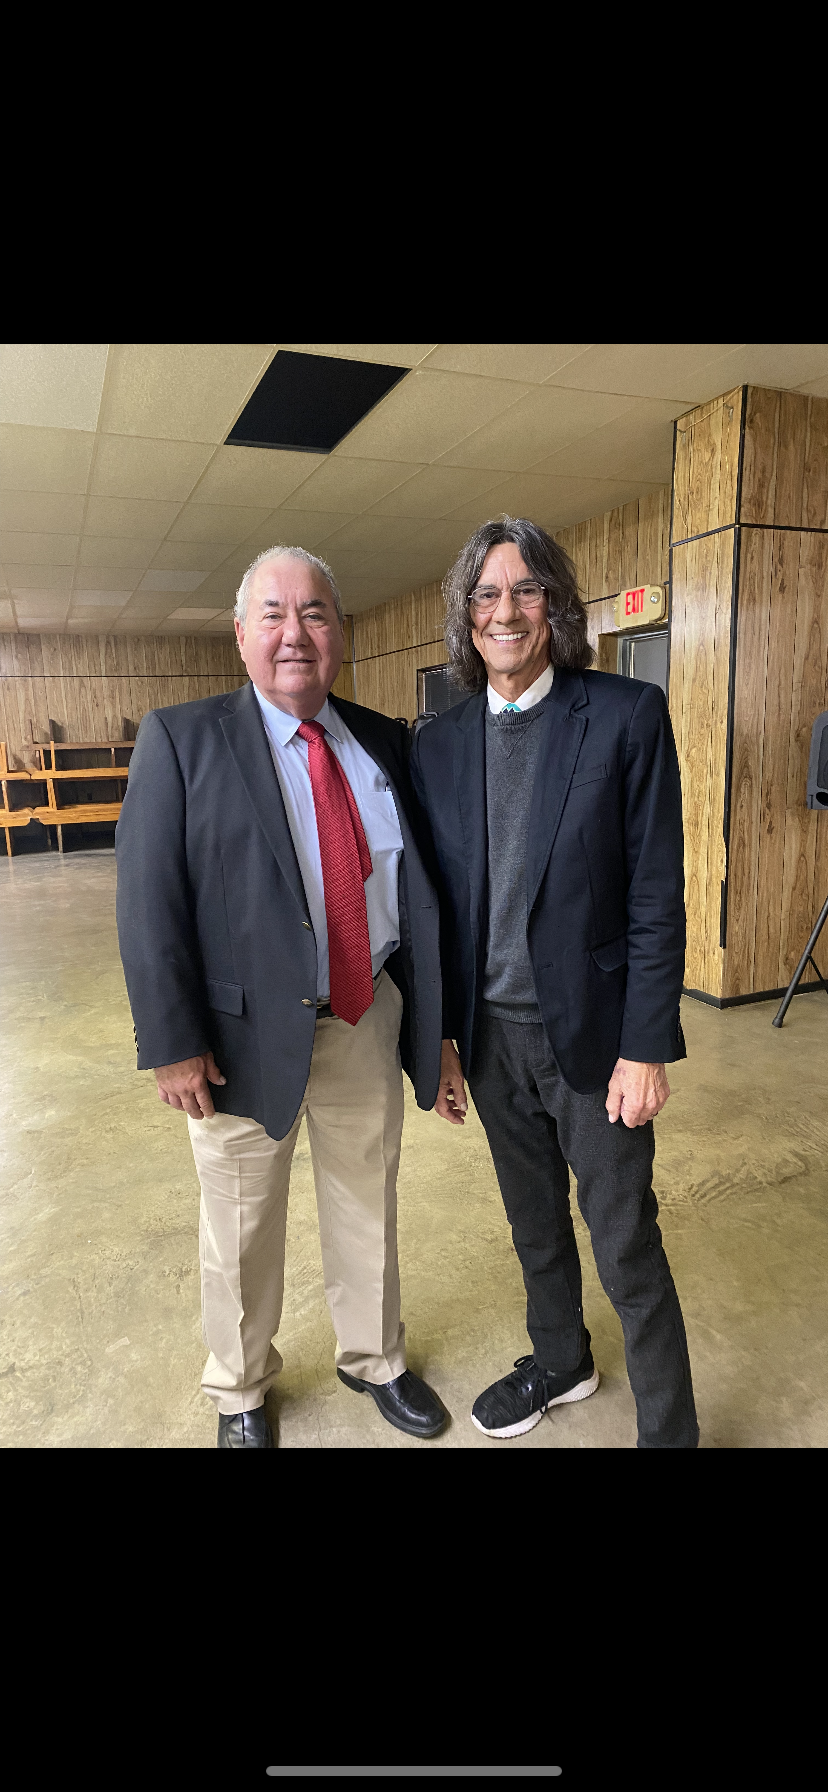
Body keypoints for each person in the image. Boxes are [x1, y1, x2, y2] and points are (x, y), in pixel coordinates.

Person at [116, 545, 446, 1448]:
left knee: (367, 1201)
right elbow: (149, 905)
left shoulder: (383, 741)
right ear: (240, 634)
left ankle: (375, 1359)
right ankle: (240, 1392)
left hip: (364, 1015)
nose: (295, 633)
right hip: (237, 1038)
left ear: (340, 632)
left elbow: (417, 896)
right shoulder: (182, 740)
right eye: (273, 614)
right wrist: (172, 1043)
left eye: (314, 613)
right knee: (240, 1221)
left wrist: (435, 1027)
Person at [411, 517, 698, 1449]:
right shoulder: (440, 742)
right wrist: (440, 1038)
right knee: (533, 1225)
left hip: (596, 1038)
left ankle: (670, 1431)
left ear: (557, 606)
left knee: (626, 1244)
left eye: (526, 589)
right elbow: (436, 906)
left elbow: (656, 894)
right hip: (491, 1039)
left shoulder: (624, 716)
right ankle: (562, 1359)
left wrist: (646, 1046)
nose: (505, 611)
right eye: (486, 594)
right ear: (466, 616)